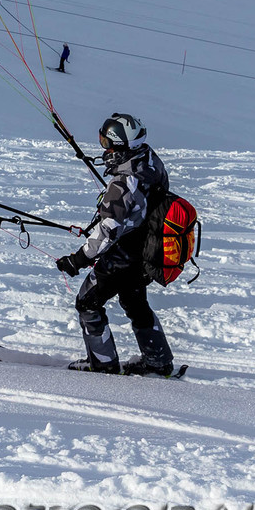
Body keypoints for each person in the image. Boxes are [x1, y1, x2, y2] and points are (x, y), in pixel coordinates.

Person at [55, 112, 176, 375]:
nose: (104, 149)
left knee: (87, 303)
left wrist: (78, 260)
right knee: (135, 302)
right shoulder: (149, 159)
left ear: (120, 145)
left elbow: (108, 232)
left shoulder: (123, 183)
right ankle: (159, 362)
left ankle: (103, 364)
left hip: (124, 256)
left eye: (106, 143)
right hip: (147, 253)